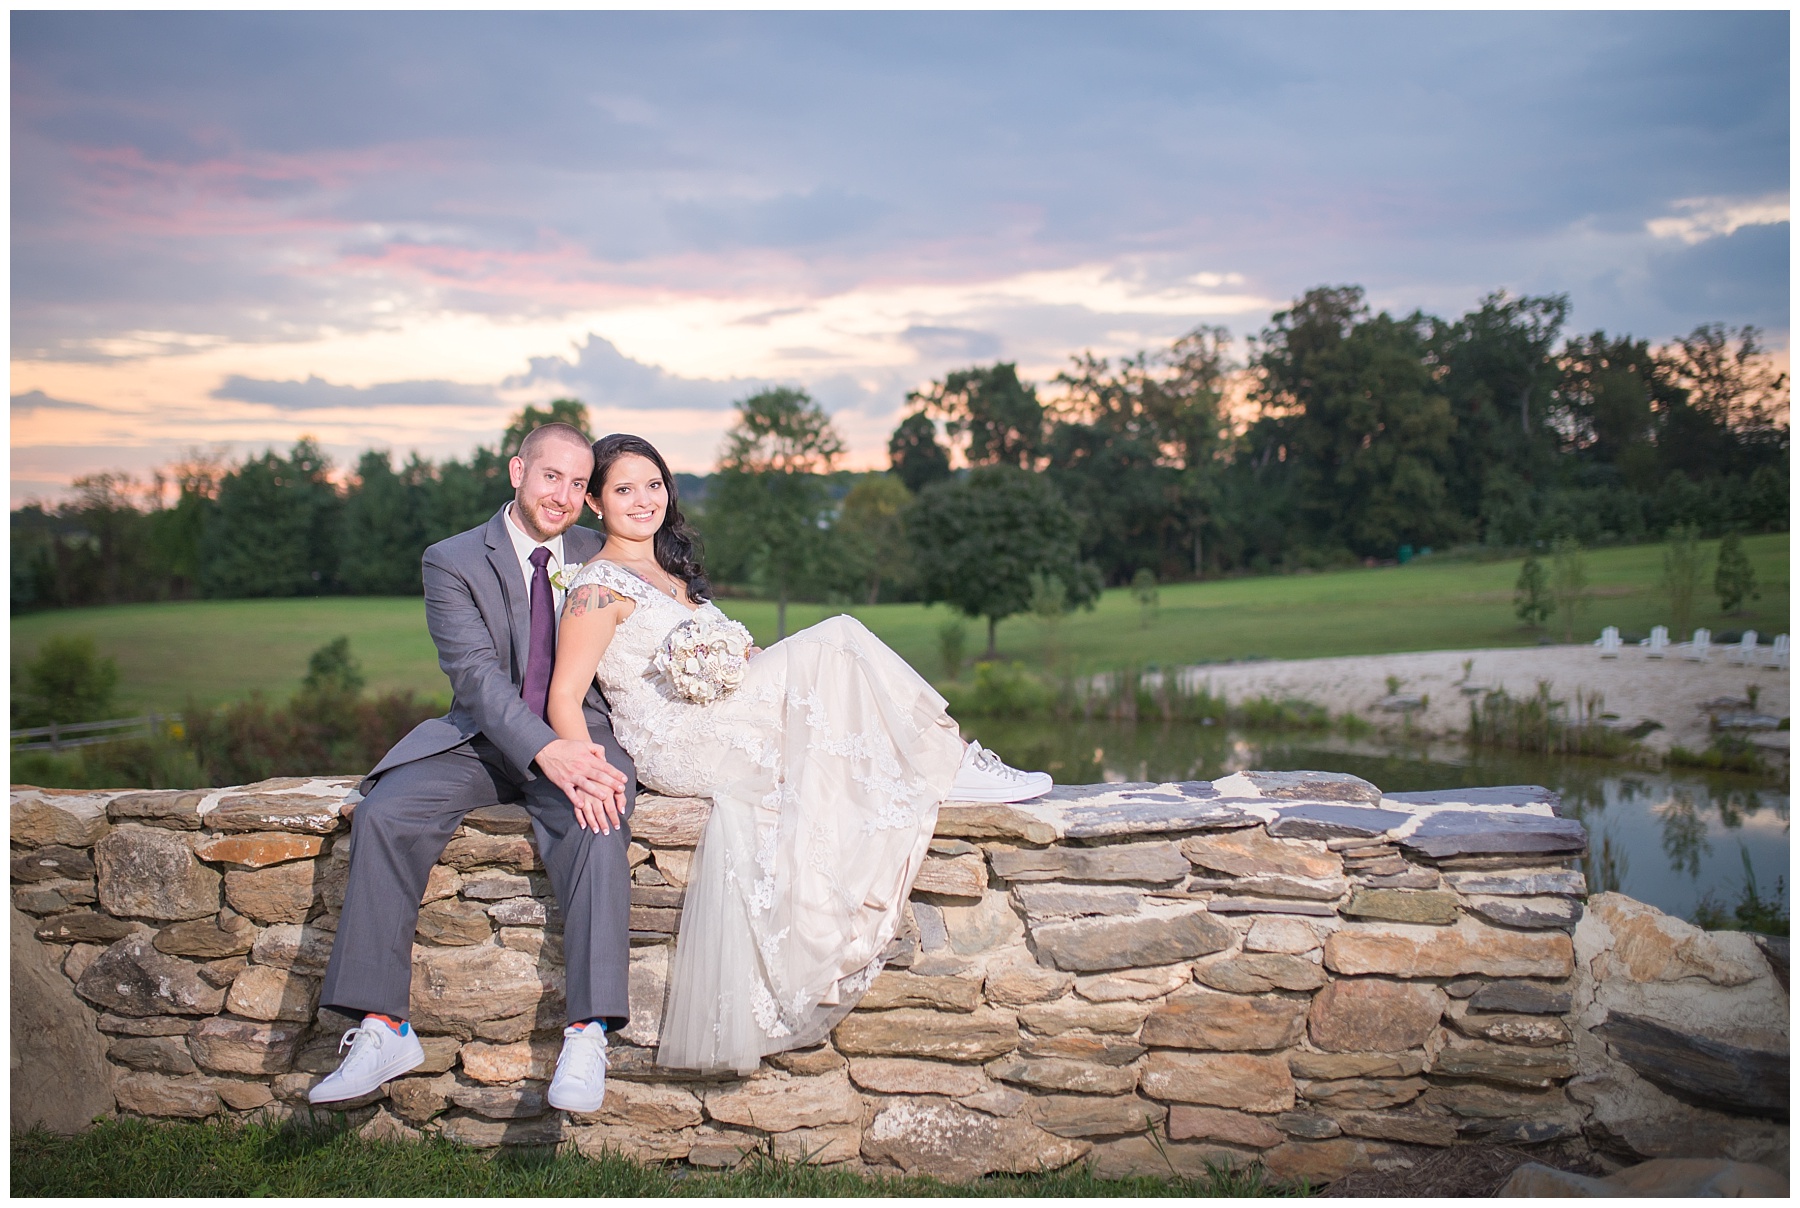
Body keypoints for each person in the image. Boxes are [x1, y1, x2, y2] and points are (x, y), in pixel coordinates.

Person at [545, 433, 1051, 1075]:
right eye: (623, 489)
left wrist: (743, 659)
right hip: (677, 737)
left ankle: (946, 761)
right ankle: (951, 763)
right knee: (840, 639)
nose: (643, 500)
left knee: (836, 680)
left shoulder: (670, 575)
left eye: (653, 485)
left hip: (721, 712)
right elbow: (565, 696)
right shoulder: (596, 589)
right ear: (595, 502)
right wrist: (588, 773)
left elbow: (730, 659)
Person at [310, 422, 633, 1114]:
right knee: (388, 812)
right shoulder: (452, 559)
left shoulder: (601, 553)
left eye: (580, 484)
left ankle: (588, 1031)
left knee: (599, 818)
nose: (565, 495)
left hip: (579, 736)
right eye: (552, 476)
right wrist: (543, 750)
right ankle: (382, 1027)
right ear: (517, 470)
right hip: (483, 738)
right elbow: (476, 677)